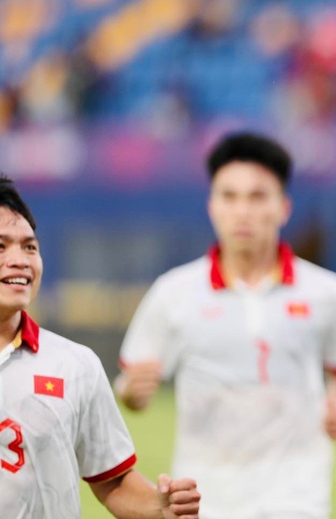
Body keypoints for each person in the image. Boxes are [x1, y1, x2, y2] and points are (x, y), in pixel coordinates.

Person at [114, 132, 336, 519]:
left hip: (298, 495)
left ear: (283, 207)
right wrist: (133, 390)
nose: (242, 211)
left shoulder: (326, 292)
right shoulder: (174, 293)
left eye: (257, 197)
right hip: (204, 496)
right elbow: (130, 387)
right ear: (211, 206)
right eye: (229, 196)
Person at [0, 176, 201, 518]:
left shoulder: (75, 365)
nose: (20, 260)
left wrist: (159, 505)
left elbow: (112, 482)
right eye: (1, 246)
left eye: (29, 247)